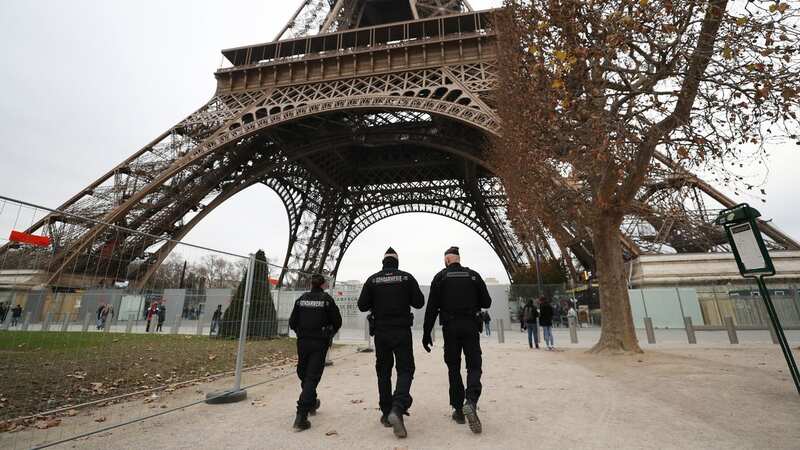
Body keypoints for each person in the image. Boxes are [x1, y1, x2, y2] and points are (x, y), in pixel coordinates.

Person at [422, 246, 492, 434]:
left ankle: (459, 410)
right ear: (459, 259)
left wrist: (426, 332)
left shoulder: (440, 277)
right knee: (474, 365)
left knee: (453, 367)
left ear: (446, 260)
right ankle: (471, 400)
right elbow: (487, 302)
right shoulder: (474, 276)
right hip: (470, 325)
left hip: (450, 328)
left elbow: (431, 308)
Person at [357, 247, 425, 439]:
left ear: (383, 262)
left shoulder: (372, 279)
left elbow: (362, 305)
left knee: (383, 371)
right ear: (397, 262)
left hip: (381, 332)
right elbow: (419, 302)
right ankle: (398, 407)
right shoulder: (406, 277)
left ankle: (387, 413)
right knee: (405, 370)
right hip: (402, 331)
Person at [288, 273, 342, 432]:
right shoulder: (327, 300)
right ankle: (301, 415)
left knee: (304, 373)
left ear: (310, 284)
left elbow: (292, 322)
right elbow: (337, 321)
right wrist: (328, 333)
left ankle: (310, 402)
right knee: (312, 376)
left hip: (303, 341)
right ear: (323, 284)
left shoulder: (301, 299)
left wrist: (301, 331)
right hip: (319, 342)